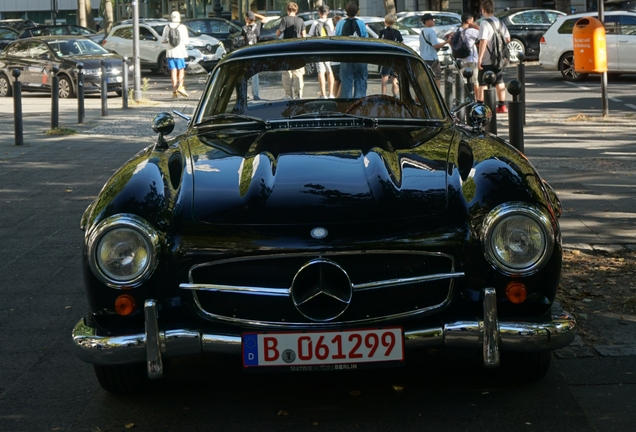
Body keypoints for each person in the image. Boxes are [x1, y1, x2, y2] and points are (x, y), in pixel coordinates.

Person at [477, 0, 511, 112]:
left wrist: (480, 58)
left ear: (483, 10)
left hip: (487, 57)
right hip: (498, 58)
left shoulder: (484, 23)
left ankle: (480, 107)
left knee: (483, 82)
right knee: (499, 80)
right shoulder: (500, 22)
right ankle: (502, 106)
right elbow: (508, 39)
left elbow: (483, 41)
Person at [335, 2, 368, 98]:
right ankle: (359, 102)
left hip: (345, 55)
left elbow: (337, 38)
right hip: (360, 55)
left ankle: (346, 103)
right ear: (357, 11)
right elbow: (365, 38)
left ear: (346, 11)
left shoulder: (340, 23)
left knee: (346, 79)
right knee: (361, 78)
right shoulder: (361, 23)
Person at [276, 2, 306, 99]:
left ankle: (288, 95)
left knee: (286, 73)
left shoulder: (284, 20)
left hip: (286, 49)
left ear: (287, 10)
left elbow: (277, 33)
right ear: (296, 10)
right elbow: (304, 36)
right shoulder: (300, 20)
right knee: (298, 73)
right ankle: (298, 95)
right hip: (298, 49)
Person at [308, 4, 335, 98]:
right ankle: (331, 94)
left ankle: (323, 94)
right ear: (328, 13)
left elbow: (311, 36)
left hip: (318, 50)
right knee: (330, 71)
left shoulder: (315, 23)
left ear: (319, 13)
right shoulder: (331, 22)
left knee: (321, 72)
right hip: (329, 50)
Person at [162, 11, 190, 99]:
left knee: (173, 71)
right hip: (180, 52)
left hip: (170, 53)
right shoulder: (182, 27)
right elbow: (186, 41)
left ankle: (174, 91)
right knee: (181, 70)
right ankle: (181, 86)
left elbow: (163, 40)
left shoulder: (167, 27)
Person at [451, 13, 480, 97]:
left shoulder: (457, 30)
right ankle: (477, 99)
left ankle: (465, 98)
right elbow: (483, 35)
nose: (473, 22)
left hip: (460, 59)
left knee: (463, 80)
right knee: (475, 81)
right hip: (471, 58)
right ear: (468, 21)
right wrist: (475, 26)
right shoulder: (472, 31)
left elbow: (452, 43)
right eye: (472, 20)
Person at [419, 13, 449, 89]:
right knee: (437, 77)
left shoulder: (422, 32)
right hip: (432, 58)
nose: (434, 21)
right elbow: (435, 45)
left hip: (423, 57)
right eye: (433, 20)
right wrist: (446, 42)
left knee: (425, 78)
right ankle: (437, 96)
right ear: (427, 21)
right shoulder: (431, 32)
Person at [378, 13, 403, 97]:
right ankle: (395, 94)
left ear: (385, 22)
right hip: (395, 56)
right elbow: (402, 44)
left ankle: (383, 94)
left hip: (385, 57)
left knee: (384, 77)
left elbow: (379, 43)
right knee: (394, 77)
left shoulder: (382, 32)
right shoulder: (397, 32)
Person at [242, 11, 261, 100]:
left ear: (247, 18)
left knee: (245, 74)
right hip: (256, 52)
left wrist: (246, 24)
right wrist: (255, 14)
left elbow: (243, 39)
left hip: (247, 53)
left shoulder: (244, 28)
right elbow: (265, 19)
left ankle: (245, 94)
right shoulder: (257, 27)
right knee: (255, 75)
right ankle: (255, 94)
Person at [331, 15, 343, 98]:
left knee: (337, 80)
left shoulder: (331, 33)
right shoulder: (340, 34)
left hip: (333, 62)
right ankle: (338, 98)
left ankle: (335, 96)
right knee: (343, 80)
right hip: (340, 61)